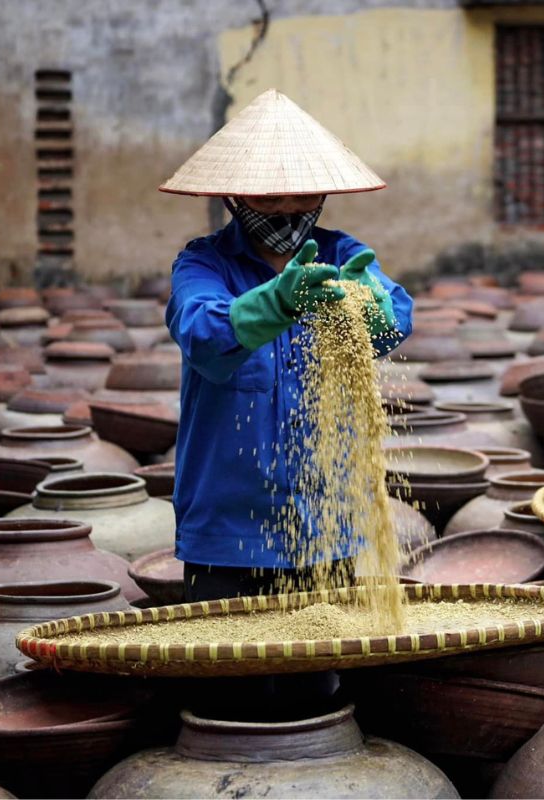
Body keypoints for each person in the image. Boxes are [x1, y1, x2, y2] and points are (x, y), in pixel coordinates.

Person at [160, 89, 413, 602]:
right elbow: (202, 333)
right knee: (229, 674)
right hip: (227, 532)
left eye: (301, 198)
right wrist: (274, 304)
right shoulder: (203, 265)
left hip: (327, 525)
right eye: (268, 199)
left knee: (319, 680)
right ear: (233, 199)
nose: (287, 210)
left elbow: (392, 318)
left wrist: (372, 312)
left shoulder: (343, 256)